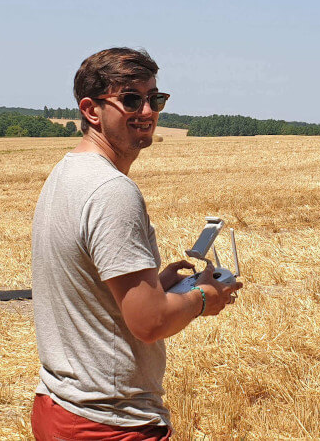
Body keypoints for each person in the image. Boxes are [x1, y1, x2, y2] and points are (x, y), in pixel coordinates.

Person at [30, 47, 242, 440]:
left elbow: (88, 292)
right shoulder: (112, 191)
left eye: (154, 98)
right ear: (91, 110)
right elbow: (150, 323)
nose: (147, 111)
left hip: (60, 407)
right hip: (108, 421)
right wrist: (205, 297)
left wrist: (155, 287)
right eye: (130, 99)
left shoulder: (66, 173)